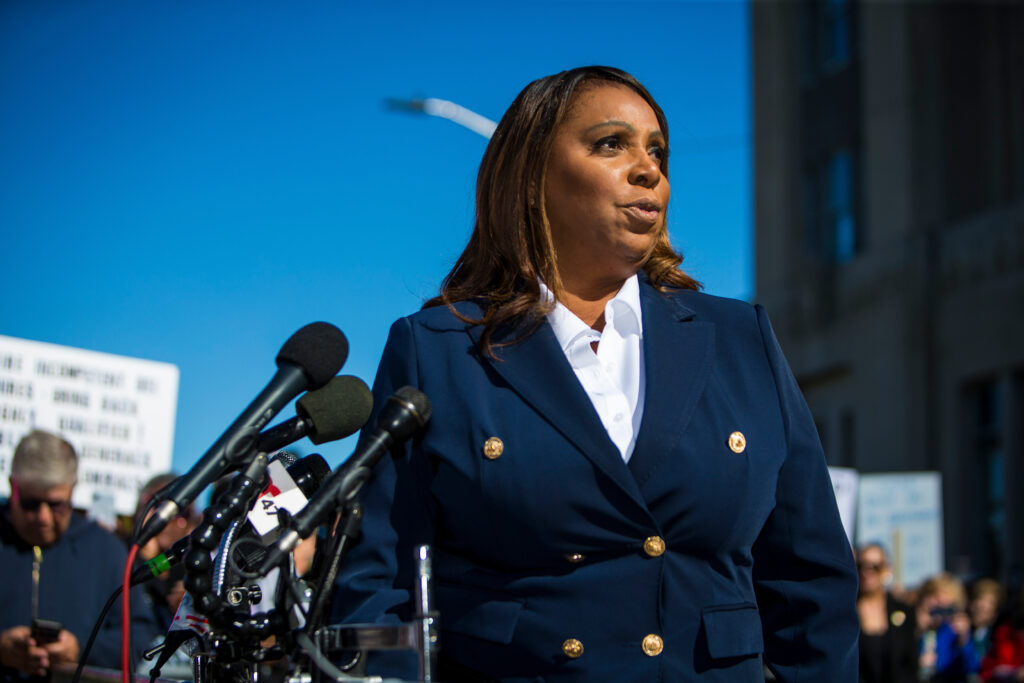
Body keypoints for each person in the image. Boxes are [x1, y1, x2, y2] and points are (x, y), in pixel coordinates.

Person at [331, 65, 859, 682]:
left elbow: (812, 580)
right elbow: (375, 586)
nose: (648, 168)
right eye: (612, 144)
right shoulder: (437, 350)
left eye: (656, 150)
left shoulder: (743, 340)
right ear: (532, 176)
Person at [0, 430, 160, 680]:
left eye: (56, 505)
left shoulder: (106, 551)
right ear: (13, 486)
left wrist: (81, 649)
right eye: (31, 503)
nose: (43, 517)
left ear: (73, 490)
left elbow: (139, 635)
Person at [856, 543, 917, 682]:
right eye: (861, 566)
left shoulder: (903, 611)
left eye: (875, 567)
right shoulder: (846, 613)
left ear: (886, 570)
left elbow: (910, 663)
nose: (867, 572)